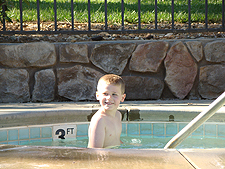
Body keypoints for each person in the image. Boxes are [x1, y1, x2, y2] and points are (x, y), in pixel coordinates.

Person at [88, 74, 126, 148]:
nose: (109, 98)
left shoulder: (118, 115)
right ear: (98, 96)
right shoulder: (99, 121)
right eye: (105, 94)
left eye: (114, 94)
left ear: (122, 97)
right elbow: (94, 151)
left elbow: (115, 140)